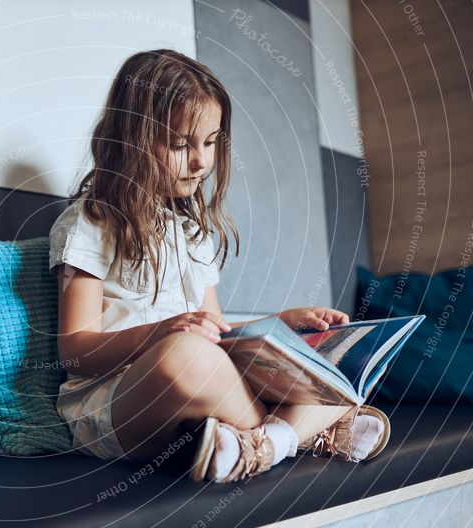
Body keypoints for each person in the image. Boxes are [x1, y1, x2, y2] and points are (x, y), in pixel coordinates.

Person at [48, 49, 387, 483]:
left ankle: (258, 447)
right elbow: (74, 350)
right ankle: (297, 434)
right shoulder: (90, 223)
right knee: (182, 356)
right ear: (131, 139)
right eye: (180, 144)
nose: (202, 161)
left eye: (210, 142)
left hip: (194, 403)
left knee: (334, 361)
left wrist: (280, 326)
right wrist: (162, 331)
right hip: (117, 403)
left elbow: (217, 332)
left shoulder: (193, 233)